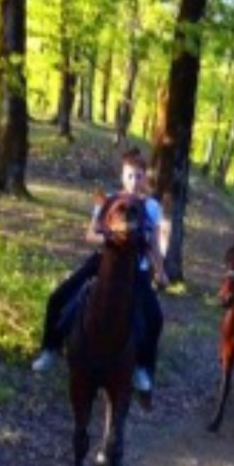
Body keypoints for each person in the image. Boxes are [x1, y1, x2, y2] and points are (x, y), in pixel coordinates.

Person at [31, 147, 168, 398]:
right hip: (104, 262)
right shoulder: (109, 201)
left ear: (145, 178)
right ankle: (50, 348)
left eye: (139, 176)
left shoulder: (151, 207)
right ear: (122, 175)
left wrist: (160, 272)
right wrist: (110, 235)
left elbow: (154, 245)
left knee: (155, 318)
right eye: (129, 175)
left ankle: (142, 368)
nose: (134, 181)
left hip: (136, 269)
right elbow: (90, 234)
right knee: (58, 296)